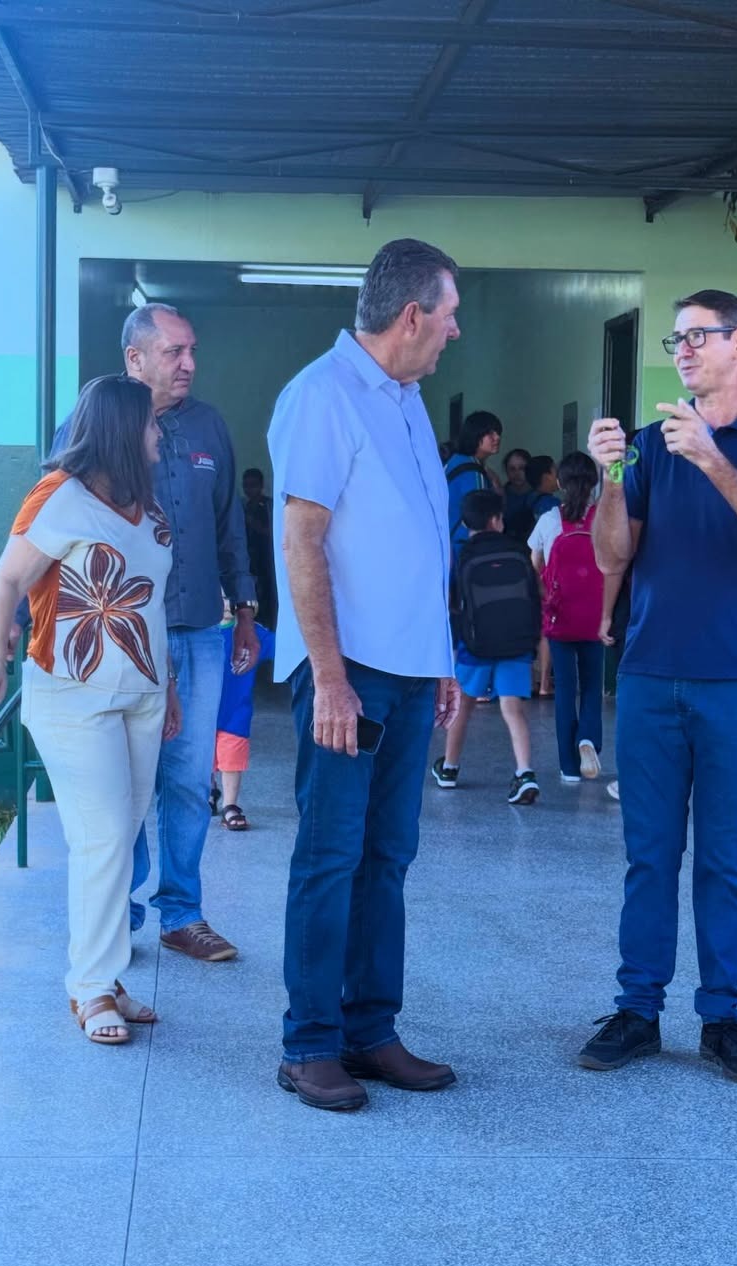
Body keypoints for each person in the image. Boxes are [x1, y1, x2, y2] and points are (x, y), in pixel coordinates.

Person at [580, 288, 737, 1084]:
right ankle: (637, 1011)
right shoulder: (651, 445)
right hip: (650, 676)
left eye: (696, 336)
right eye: (675, 340)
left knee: (724, 861)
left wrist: (713, 458)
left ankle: (723, 1019)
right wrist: (613, 476)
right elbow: (612, 556)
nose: (681, 351)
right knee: (648, 858)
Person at [268, 237, 462, 1113]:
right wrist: (330, 677)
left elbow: (417, 542)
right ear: (412, 315)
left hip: (411, 673)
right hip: (350, 676)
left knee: (388, 857)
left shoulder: (408, 401)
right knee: (331, 856)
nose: (454, 332)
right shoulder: (323, 395)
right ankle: (310, 1044)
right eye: (449, 316)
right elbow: (302, 540)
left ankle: (370, 1030)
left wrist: (440, 658)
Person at [0, 376, 180, 1044]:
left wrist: (168, 689)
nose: (159, 433)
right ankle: (89, 988)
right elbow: (8, 579)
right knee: (104, 838)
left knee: (123, 835)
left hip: (143, 695)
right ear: (121, 429)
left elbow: (152, 606)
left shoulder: (145, 505)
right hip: (73, 696)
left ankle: (107, 976)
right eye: (151, 423)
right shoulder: (60, 495)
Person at [49, 304, 260, 964]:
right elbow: (51, 533)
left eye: (192, 350)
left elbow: (229, 525)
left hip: (197, 630)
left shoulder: (209, 427)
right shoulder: (87, 427)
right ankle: (119, 913)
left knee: (189, 778)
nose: (189, 363)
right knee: (123, 788)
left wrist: (245, 611)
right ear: (134, 358)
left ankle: (182, 914)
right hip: (124, 640)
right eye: (174, 352)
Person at [430, 488, 541, 804]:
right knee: (512, 708)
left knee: (463, 705)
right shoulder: (517, 551)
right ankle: (525, 772)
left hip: (474, 645)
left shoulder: (462, 555)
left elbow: (451, 601)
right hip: (516, 644)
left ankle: (449, 768)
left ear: (467, 523)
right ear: (496, 520)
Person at [529, 450, 622, 783]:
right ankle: (588, 739)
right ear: (594, 482)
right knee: (592, 686)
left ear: (559, 482)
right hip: (595, 616)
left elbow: (535, 566)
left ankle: (569, 767)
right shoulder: (603, 520)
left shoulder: (548, 520)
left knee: (566, 690)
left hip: (560, 618)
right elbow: (614, 565)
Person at [211, 607, 276, 832]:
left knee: (231, 760)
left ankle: (230, 805)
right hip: (203, 709)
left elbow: (281, 647)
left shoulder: (253, 633)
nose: (227, 605)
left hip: (236, 713)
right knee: (203, 757)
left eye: (233, 599)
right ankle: (209, 792)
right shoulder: (201, 632)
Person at [524, 454, 561, 695]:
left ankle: (531, 680)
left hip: (529, 568)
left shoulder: (527, 499)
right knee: (546, 629)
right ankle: (545, 682)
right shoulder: (551, 507)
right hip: (547, 574)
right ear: (547, 476)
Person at [445, 410, 503, 557]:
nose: (497, 437)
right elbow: (480, 517)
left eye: (498, 432)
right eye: (490, 433)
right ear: (475, 435)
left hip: (449, 544)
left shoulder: (455, 461)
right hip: (465, 547)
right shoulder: (473, 471)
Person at [242, 466, 277, 629]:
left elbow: (273, 532)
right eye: (246, 486)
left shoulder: (268, 506)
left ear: (261, 486)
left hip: (268, 558)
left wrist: (253, 523)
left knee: (269, 594)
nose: (249, 490)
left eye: (253, 485)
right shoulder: (245, 506)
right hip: (251, 559)